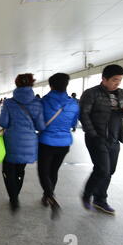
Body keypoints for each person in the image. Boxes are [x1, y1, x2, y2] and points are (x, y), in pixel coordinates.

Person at [80, 64, 123, 215]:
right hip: (96, 137)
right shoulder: (91, 93)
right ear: (104, 79)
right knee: (102, 169)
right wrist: (93, 135)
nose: (118, 83)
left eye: (120, 80)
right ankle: (87, 195)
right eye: (114, 80)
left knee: (110, 170)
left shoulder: (122, 93)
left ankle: (100, 200)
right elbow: (84, 115)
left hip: (114, 138)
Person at [0, 74, 45, 212]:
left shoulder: (9, 103)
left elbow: (3, 122)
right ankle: (15, 195)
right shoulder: (37, 103)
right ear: (32, 84)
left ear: (16, 84)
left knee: (8, 170)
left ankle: (13, 198)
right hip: (29, 142)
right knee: (20, 170)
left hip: (11, 140)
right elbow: (40, 126)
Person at [37, 73, 79, 219]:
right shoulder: (73, 103)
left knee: (43, 171)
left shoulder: (44, 101)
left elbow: (39, 123)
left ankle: (50, 196)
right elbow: (74, 124)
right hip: (64, 143)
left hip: (46, 142)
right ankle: (46, 196)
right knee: (54, 171)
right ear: (66, 85)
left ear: (51, 85)